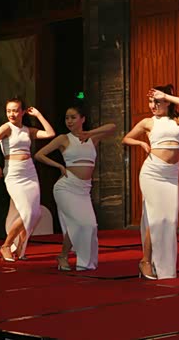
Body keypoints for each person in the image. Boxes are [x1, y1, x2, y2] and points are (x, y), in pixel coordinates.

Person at [123, 85, 179, 280]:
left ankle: (164, 268)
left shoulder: (178, 120)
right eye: (150, 101)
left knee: (169, 220)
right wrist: (141, 142)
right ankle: (145, 261)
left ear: (167, 102)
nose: (153, 105)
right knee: (155, 219)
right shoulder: (148, 122)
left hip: (171, 174)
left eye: (157, 101)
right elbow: (126, 138)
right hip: (152, 172)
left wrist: (166, 96)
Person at [34, 102, 116, 271]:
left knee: (90, 226)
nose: (69, 121)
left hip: (84, 189)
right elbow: (39, 155)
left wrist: (90, 133)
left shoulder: (92, 138)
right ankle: (69, 257)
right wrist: (59, 166)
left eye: (73, 117)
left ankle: (66, 256)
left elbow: (112, 127)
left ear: (82, 119)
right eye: (67, 118)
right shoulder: (63, 138)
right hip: (66, 187)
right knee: (78, 223)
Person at [0, 97, 56, 261]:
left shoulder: (28, 130)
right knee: (27, 212)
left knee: (35, 213)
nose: (11, 114)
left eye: (15, 110)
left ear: (23, 112)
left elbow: (50, 133)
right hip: (14, 173)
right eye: (9, 111)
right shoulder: (6, 128)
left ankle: (21, 247)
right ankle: (6, 245)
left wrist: (38, 115)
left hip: (30, 172)